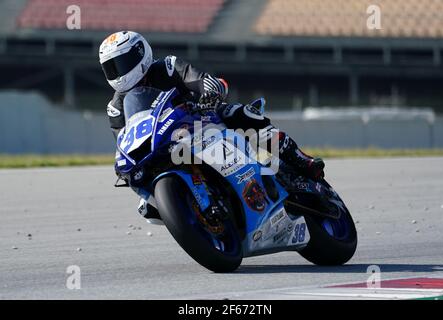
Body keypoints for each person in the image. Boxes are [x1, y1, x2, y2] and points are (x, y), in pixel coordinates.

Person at [99, 31, 325, 222]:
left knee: (240, 113)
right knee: (148, 208)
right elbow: (125, 141)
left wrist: (210, 92)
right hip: (164, 147)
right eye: (111, 68)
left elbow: (198, 78)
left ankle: (299, 159)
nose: (118, 73)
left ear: (140, 53)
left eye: (121, 64)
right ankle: (198, 216)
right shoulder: (116, 108)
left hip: (202, 120)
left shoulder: (167, 67)